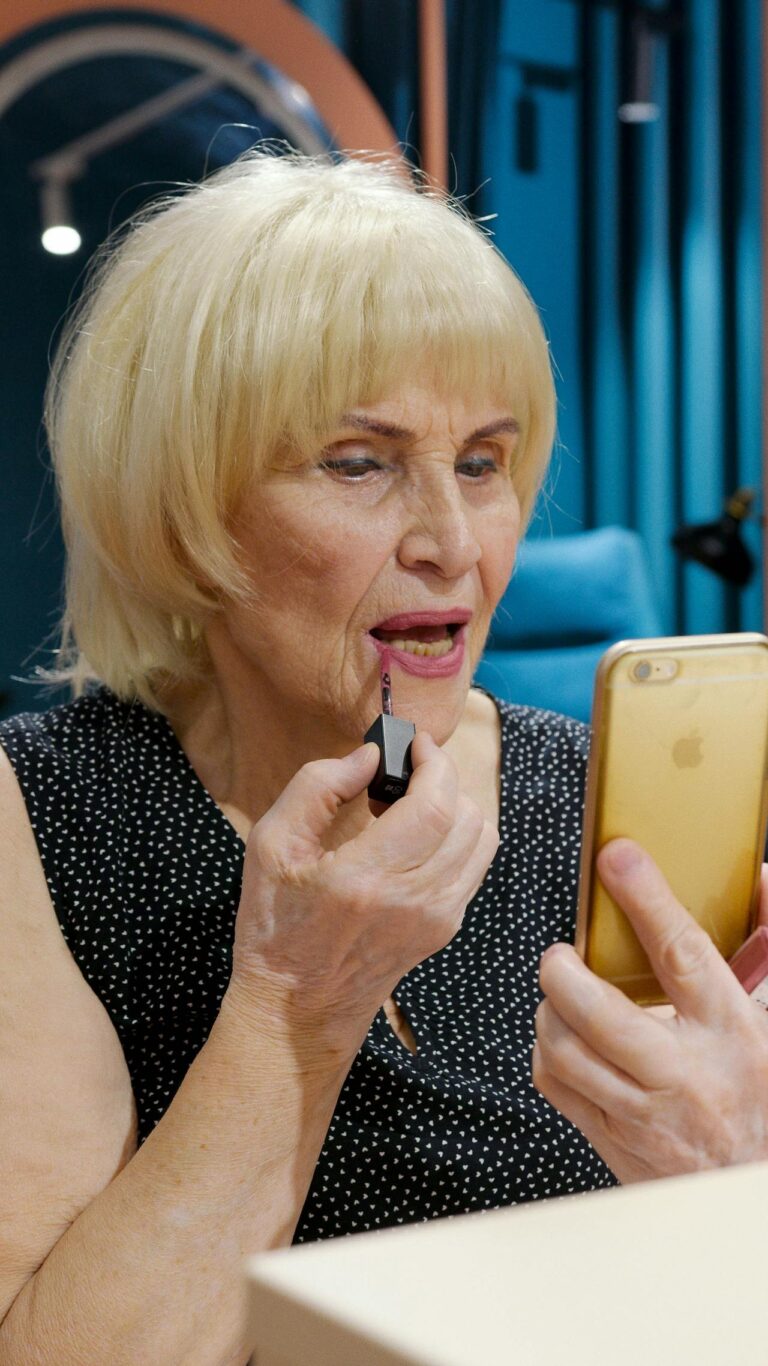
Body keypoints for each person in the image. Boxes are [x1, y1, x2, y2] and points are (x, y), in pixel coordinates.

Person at [1, 149, 767, 1366]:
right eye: (359, 463)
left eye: (482, 463)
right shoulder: (42, 815)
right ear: (183, 511)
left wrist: (735, 1190)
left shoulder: (605, 807)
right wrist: (295, 1007)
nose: (453, 543)